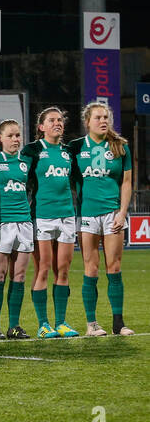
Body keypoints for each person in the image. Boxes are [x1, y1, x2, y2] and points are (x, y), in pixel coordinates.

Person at [69, 103, 135, 336]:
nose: (103, 121)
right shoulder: (75, 148)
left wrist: (122, 212)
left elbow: (126, 183)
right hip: (87, 214)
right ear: (87, 122)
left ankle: (119, 323)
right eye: (98, 117)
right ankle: (92, 324)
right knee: (91, 268)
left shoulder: (120, 147)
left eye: (106, 117)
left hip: (112, 213)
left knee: (114, 267)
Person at [21, 107, 80, 338]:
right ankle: (43, 324)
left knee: (63, 270)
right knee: (43, 268)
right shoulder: (33, 150)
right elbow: (19, 178)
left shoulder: (68, 152)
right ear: (41, 127)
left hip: (67, 215)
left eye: (60, 120)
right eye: (52, 120)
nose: (58, 123)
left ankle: (62, 323)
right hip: (42, 216)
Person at [0, 120, 32, 339]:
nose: (15, 140)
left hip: (24, 222)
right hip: (0, 222)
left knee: (19, 275)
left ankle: (14, 325)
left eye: (18, 136)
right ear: (0, 139)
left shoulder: (27, 161)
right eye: (11, 136)